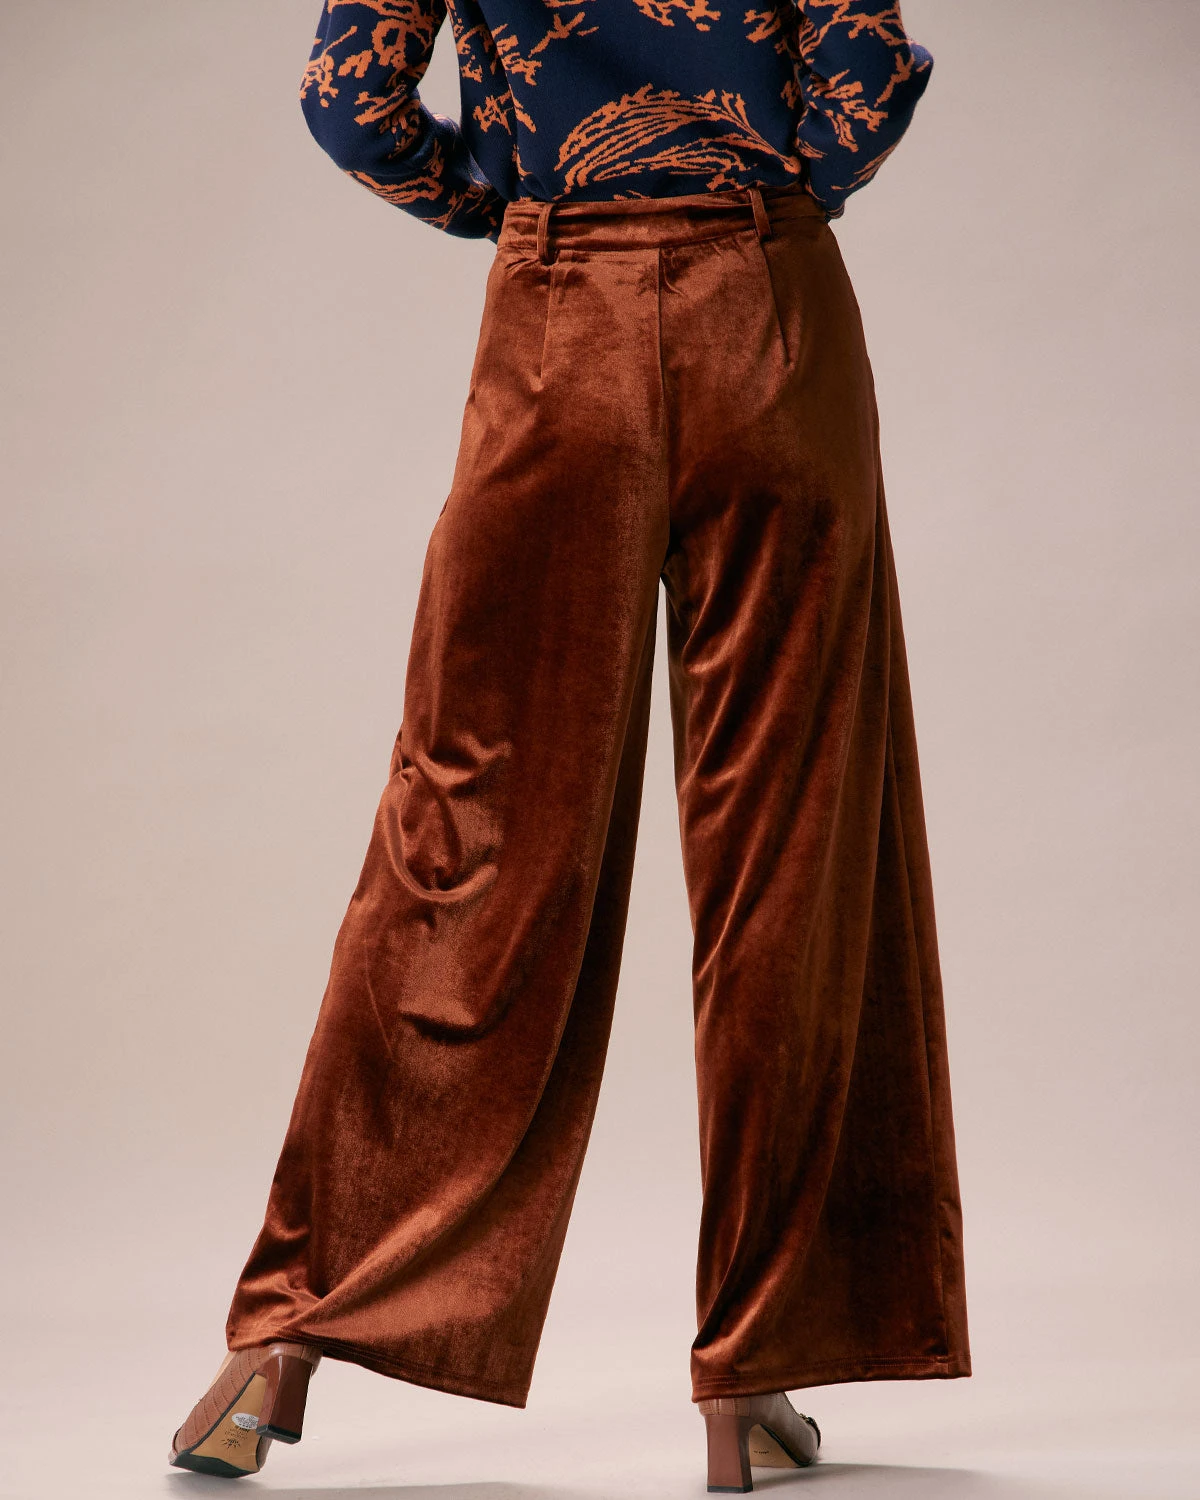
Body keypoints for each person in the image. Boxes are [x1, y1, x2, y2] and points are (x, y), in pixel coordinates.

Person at [168, 0, 972, 1490]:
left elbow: (353, 102)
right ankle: (755, 1372)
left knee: (468, 824)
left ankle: (292, 1334)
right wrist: (764, 196)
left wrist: (522, 203)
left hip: (560, 324)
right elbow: (861, 75)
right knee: (792, 845)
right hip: (774, 312)